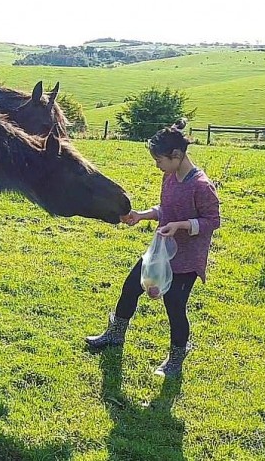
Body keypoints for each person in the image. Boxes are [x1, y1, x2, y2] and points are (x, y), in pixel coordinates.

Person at [86, 118, 221, 377]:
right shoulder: (170, 177)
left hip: (186, 259)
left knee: (175, 306)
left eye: (159, 161)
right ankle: (115, 335)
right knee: (130, 287)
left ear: (177, 155)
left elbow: (212, 221)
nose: (157, 166)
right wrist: (142, 215)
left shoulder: (201, 186)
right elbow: (166, 210)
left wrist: (180, 225)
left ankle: (176, 358)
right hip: (161, 251)